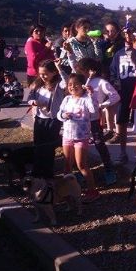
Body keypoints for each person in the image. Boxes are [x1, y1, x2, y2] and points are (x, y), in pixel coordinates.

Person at [70, 58, 120, 186]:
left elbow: (115, 96)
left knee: (99, 143)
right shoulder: (80, 81)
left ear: (89, 70)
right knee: (80, 145)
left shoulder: (101, 82)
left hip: (94, 119)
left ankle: (109, 169)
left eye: (81, 70)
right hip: (80, 120)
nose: (79, 72)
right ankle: (82, 170)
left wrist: (102, 105)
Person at [57, 72, 101, 202]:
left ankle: (92, 191)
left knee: (81, 164)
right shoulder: (67, 99)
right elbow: (59, 114)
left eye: (76, 84)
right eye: (70, 84)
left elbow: (94, 110)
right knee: (67, 165)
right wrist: (64, 116)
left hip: (81, 137)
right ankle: (68, 190)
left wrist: (91, 94)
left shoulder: (86, 99)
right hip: (67, 136)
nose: (72, 87)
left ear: (82, 86)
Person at [26, 60, 65, 180]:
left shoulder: (59, 85)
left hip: (52, 120)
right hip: (39, 118)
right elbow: (29, 97)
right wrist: (33, 102)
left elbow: (67, 81)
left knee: (48, 147)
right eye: (40, 73)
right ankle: (37, 171)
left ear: (54, 72)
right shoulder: (37, 83)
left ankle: (48, 172)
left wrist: (60, 68)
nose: (42, 76)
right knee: (38, 146)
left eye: (45, 74)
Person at [107, 26, 136, 161]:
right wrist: (116, 82)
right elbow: (113, 72)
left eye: (130, 35)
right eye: (125, 35)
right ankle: (123, 151)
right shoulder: (118, 54)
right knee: (122, 121)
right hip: (123, 92)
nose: (128, 38)